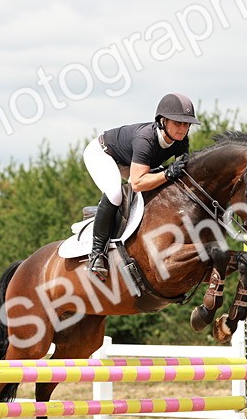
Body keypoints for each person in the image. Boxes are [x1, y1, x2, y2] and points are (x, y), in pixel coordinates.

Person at [82, 92, 201, 280]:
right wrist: (167, 173)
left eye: (186, 124)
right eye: (178, 123)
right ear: (162, 121)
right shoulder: (146, 139)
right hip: (103, 154)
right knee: (115, 194)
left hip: (133, 162)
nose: (182, 129)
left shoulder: (180, 142)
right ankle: (97, 254)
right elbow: (137, 183)